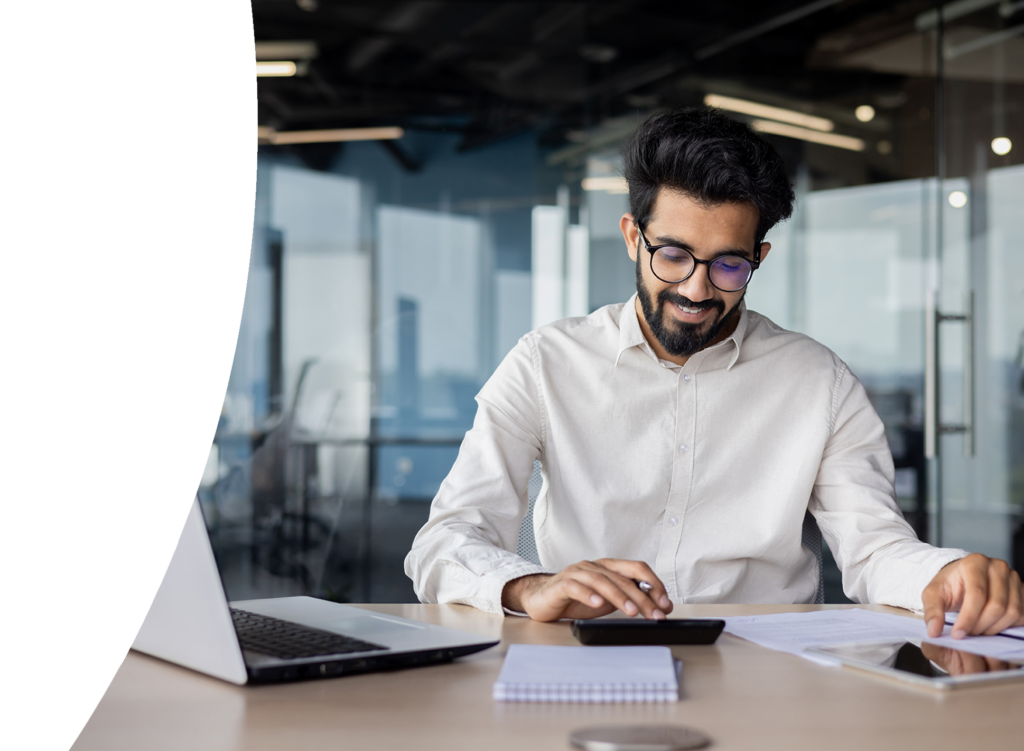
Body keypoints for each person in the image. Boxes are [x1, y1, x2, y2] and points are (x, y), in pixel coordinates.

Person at [404, 107, 1023, 640]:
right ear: (632, 237)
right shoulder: (545, 363)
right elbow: (445, 542)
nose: (696, 289)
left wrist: (942, 574)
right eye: (672, 255)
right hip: (588, 657)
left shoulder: (819, 382)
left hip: (770, 672)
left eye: (728, 264)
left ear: (760, 257)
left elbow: (875, 550)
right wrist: (528, 586)